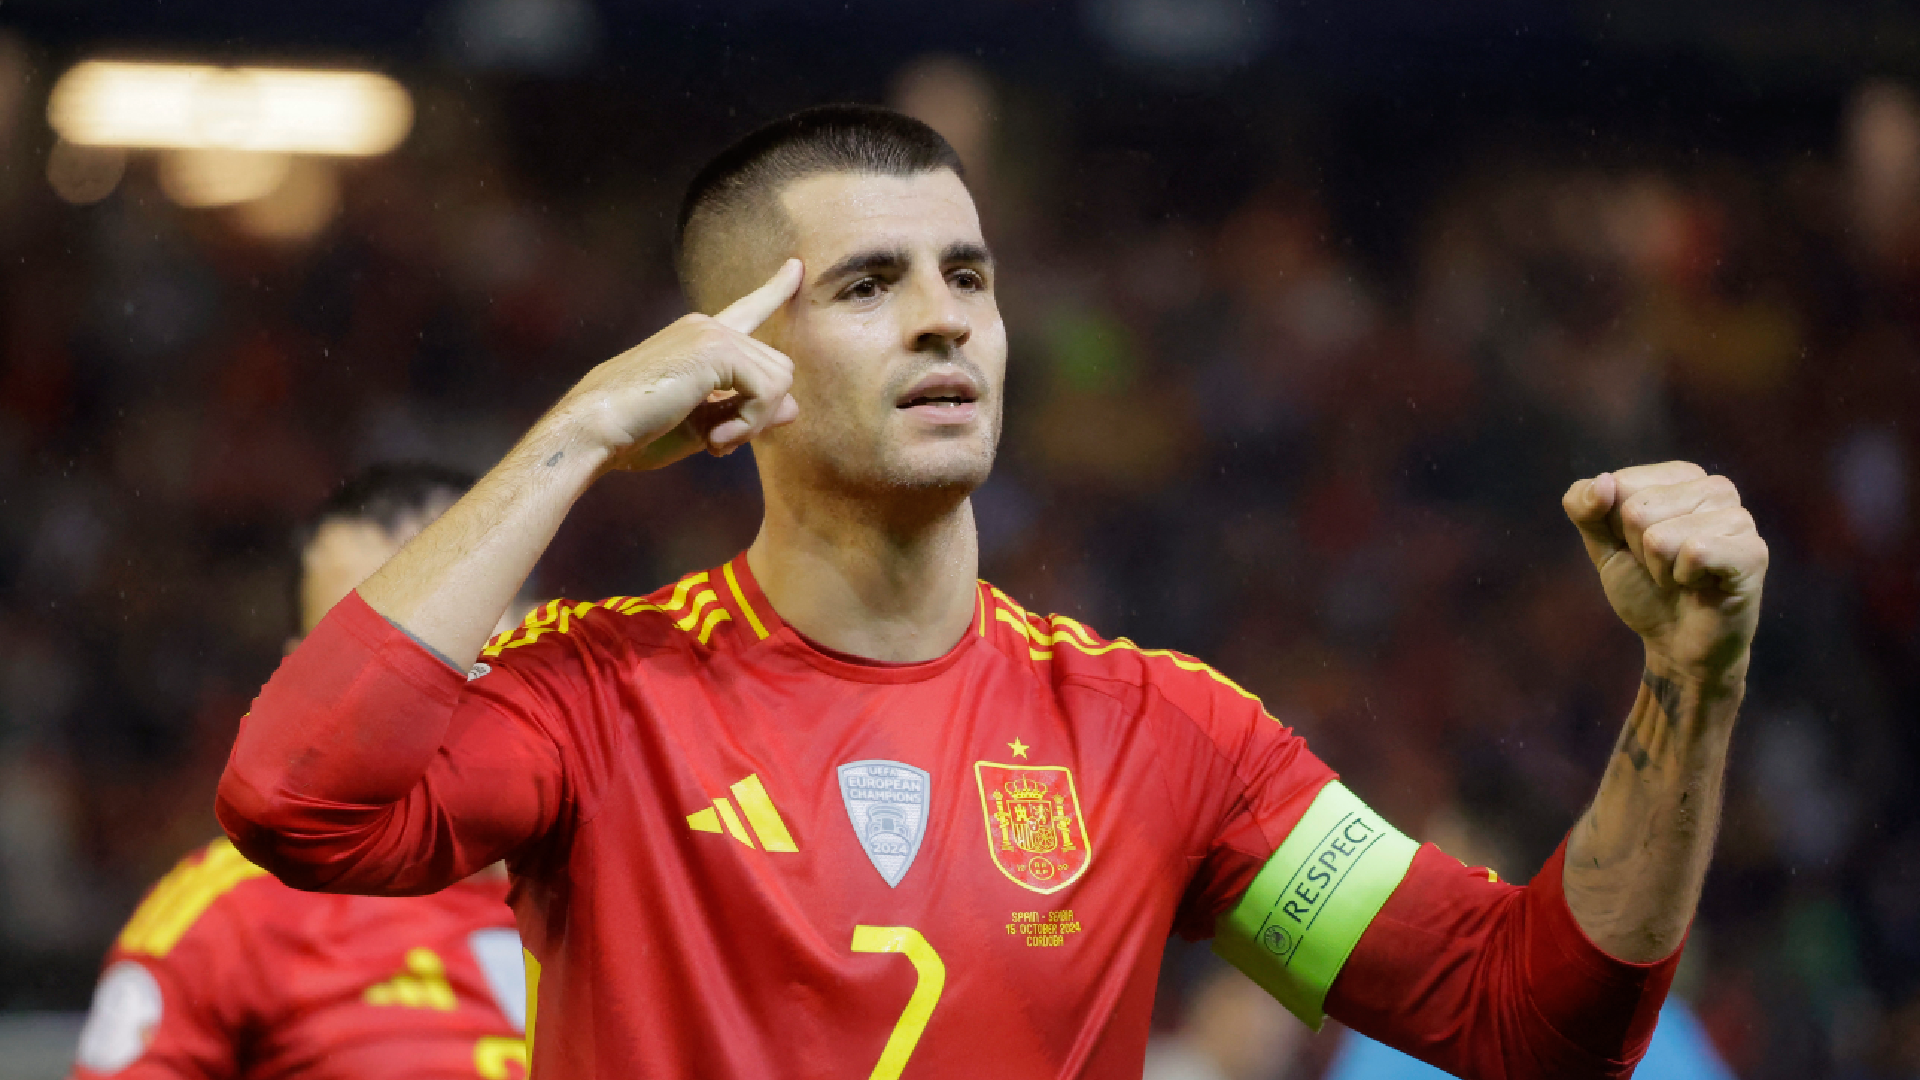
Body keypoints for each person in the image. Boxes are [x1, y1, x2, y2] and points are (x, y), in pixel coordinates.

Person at [216, 106, 1771, 1079]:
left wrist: (1690, 685)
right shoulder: (597, 695)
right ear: (729, 362)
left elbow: (1527, 1024)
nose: (947, 321)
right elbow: (298, 803)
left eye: (970, 275)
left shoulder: (1165, 735)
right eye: (870, 285)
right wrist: (574, 435)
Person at [72, 465, 534, 1080]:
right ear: (298, 677)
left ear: (542, 626)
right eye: (367, 652)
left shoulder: (649, 871)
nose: (422, 680)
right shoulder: (231, 916)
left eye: (463, 633)